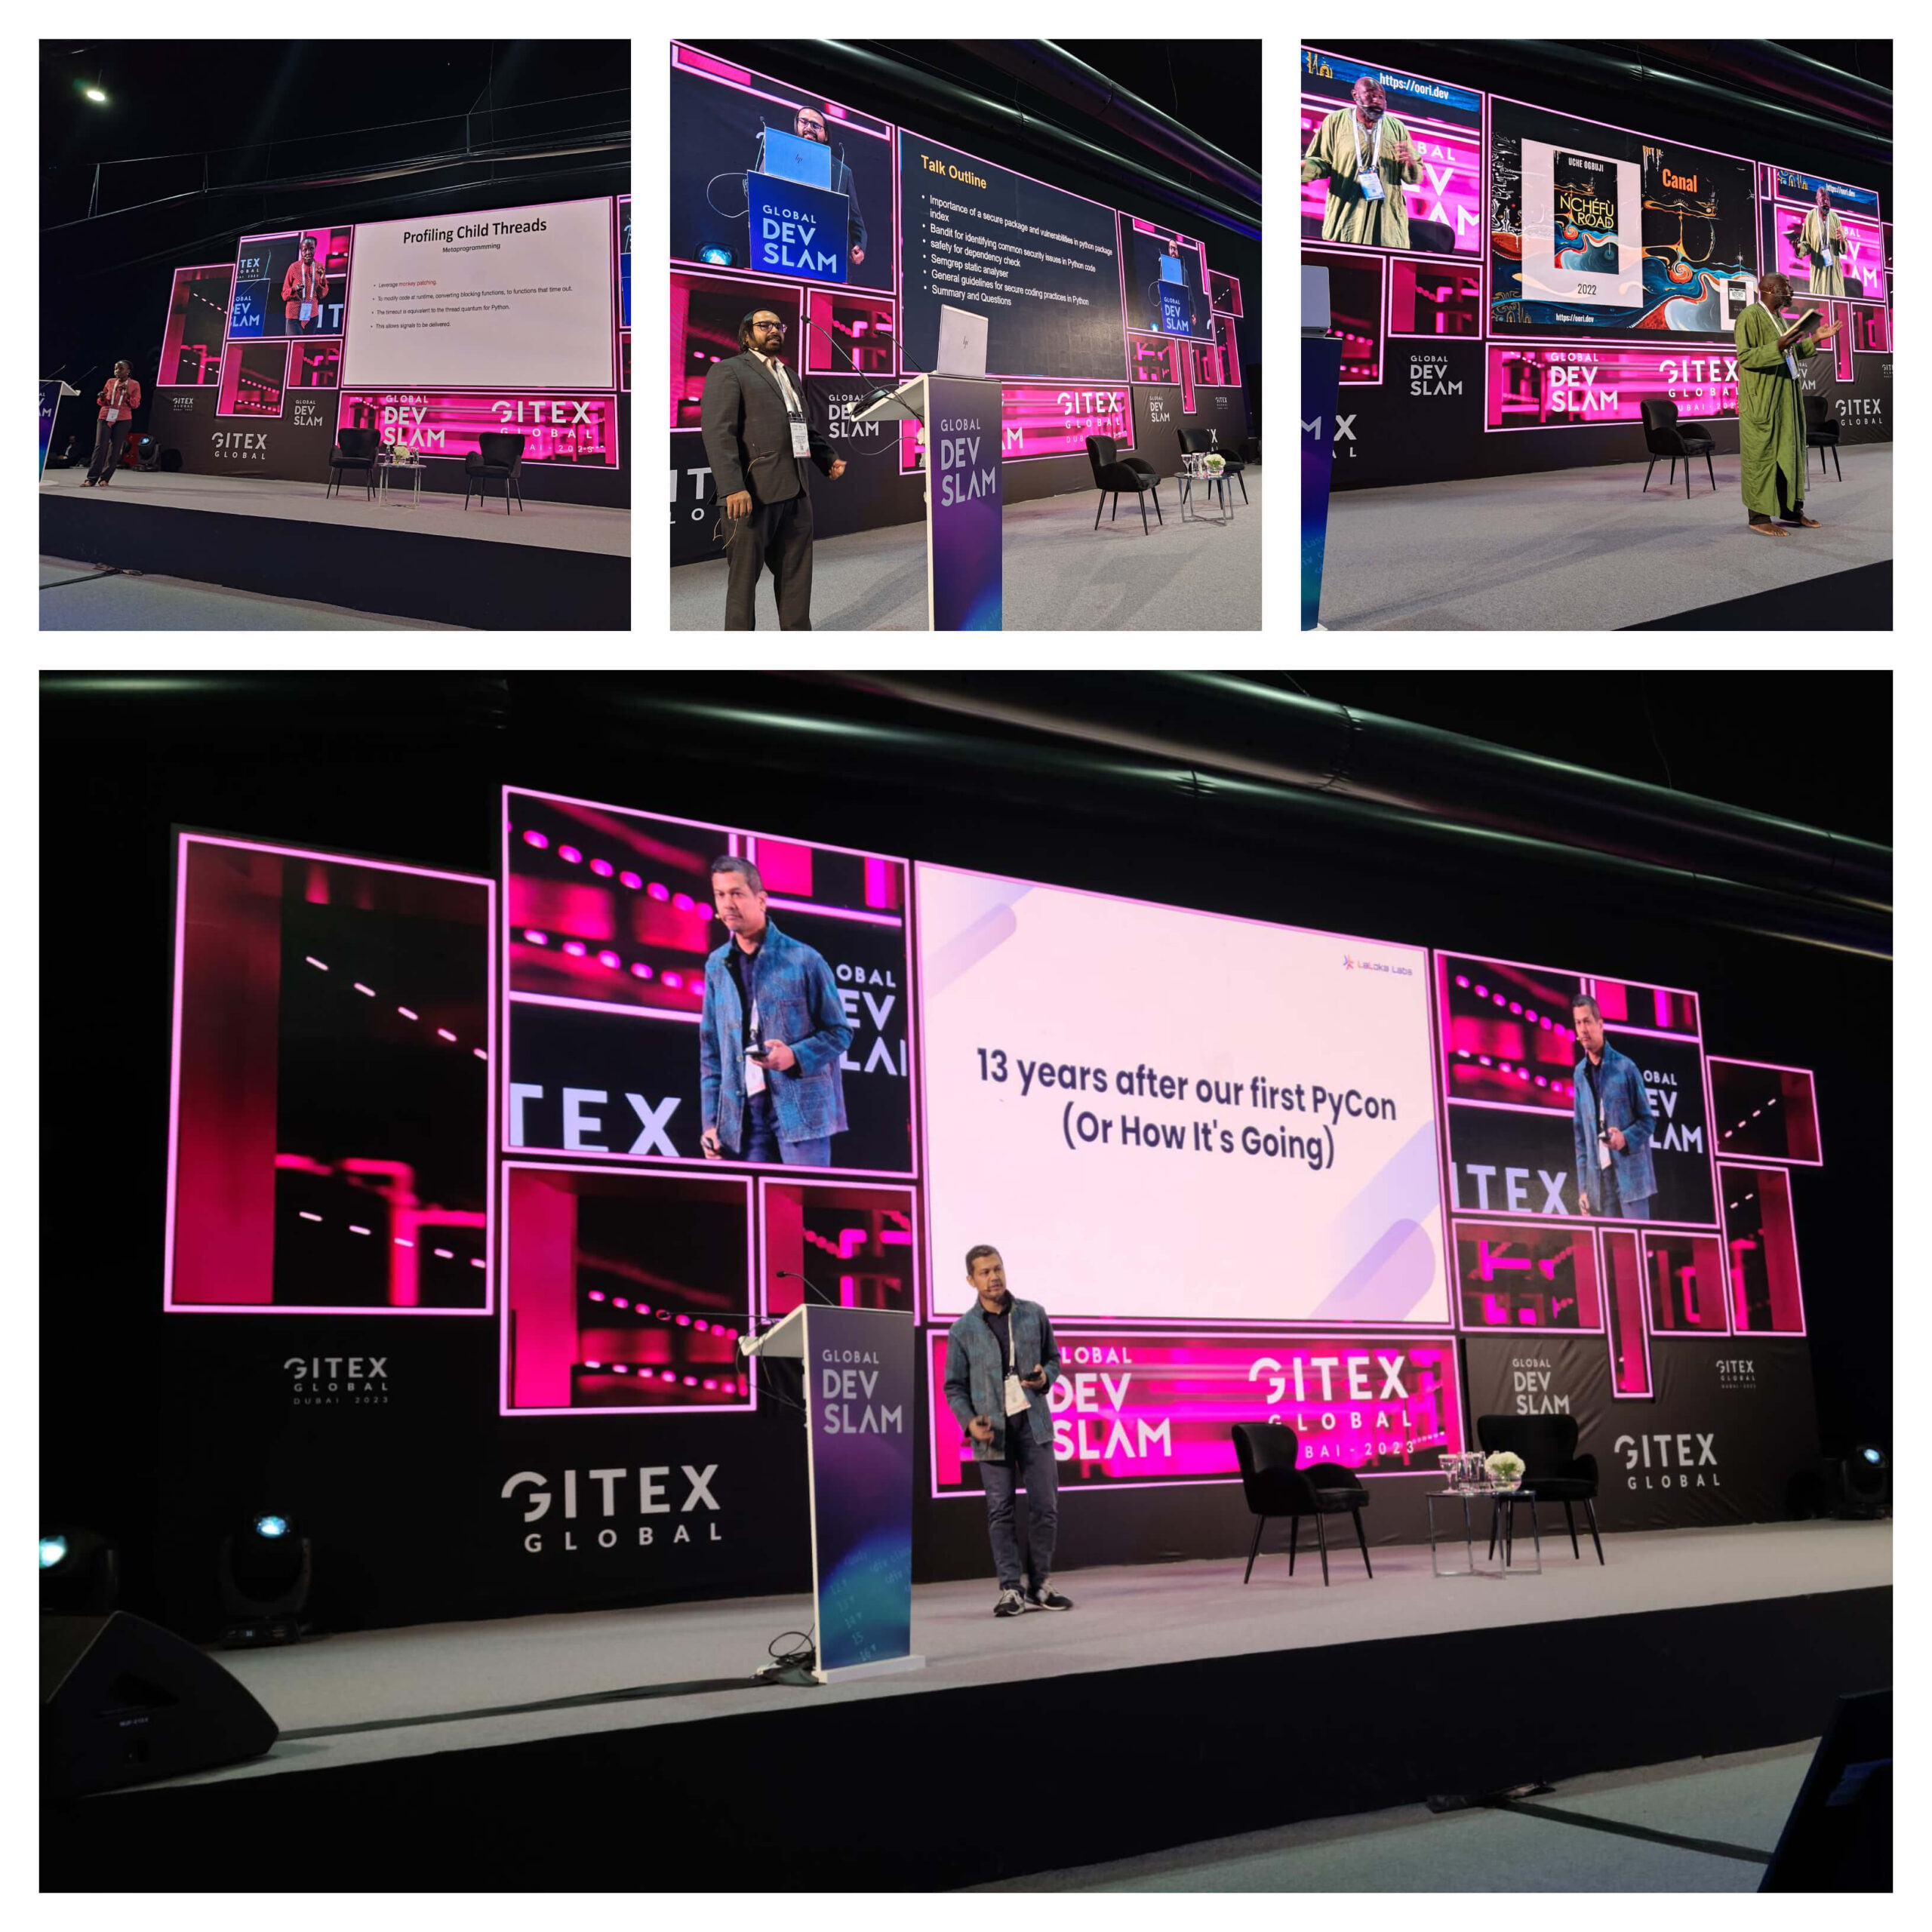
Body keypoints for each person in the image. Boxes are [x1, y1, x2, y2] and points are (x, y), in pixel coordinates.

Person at [943, 1245, 1073, 1617]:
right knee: (1000, 1511)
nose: (993, 1277)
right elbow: (954, 1386)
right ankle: (1011, 1588)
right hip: (992, 1432)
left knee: (1045, 1507)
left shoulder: (1034, 1314)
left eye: (997, 1269)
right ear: (971, 1280)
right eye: (984, 1272)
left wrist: (1046, 1376)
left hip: (1034, 1425)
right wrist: (969, 1421)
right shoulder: (962, 1330)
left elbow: (1054, 1359)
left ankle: (1041, 1585)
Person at [698, 854, 851, 1165]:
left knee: (805, 1207)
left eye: (737, 893)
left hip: (801, 1114)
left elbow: (840, 1033)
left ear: (762, 899)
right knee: (755, 1212)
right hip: (741, 1119)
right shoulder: (717, 965)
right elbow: (711, 1051)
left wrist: (794, 1056)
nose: (727, 903)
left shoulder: (805, 959)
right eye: (720, 895)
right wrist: (710, 1123)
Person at [699, 309, 847, 630]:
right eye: (764, 325)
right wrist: (732, 487)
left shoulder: (789, 374)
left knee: (796, 579)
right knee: (742, 586)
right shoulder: (729, 371)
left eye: (778, 326)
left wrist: (827, 458)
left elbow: (803, 426)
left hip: (796, 492)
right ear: (746, 334)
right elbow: (718, 432)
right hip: (751, 495)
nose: (774, 330)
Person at [1734, 272, 1840, 537]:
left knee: (1788, 454)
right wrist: (1778, 345)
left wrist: (1815, 340)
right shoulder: (1749, 316)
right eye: (1786, 287)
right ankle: (1758, 517)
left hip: (1786, 399)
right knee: (1762, 457)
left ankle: (1790, 511)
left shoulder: (1780, 319)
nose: (1791, 290)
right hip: (1763, 401)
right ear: (1771, 288)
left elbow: (1788, 354)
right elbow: (1746, 358)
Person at [1300, 75, 1425, 249]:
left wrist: (1410, 163)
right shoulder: (1335, 122)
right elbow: (1322, 162)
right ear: (1355, 95)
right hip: (1347, 216)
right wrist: (1304, 167)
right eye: (1370, 95)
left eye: (1381, 97)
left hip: (1386, 222)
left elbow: (1415, 176)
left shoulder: (1397, 128)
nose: (1377, 100)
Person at [1571, 994, 1658, 1220]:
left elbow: (1648, 1120)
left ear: (1600, 1025)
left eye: (1588, 1021)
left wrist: (1625, 1138)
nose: (1583, 1029)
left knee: (1636, 1250)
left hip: (1631, 1180)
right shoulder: (1579, 1074)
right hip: (1600, 1185)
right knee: (1608, 1253)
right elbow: (1581, 1137)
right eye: (1578, 1023)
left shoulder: (1626, 1067)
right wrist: (1583, 1189)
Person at [787, 108, 866, 269]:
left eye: (816, 126)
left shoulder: (842, 171)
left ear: (826, 135)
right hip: (785, 245)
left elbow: (855, 216)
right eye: (804, 122)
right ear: (796, 126)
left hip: (826, 255)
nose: (809, 128)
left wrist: (859, 245)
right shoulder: (780, 153)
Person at [82, 361, 141, 488]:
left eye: (121, 368)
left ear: (128, 371)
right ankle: (91, 479)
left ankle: (105, 478)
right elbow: (103, 402)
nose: (117, 371)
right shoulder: (110, 382)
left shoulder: (135, 384)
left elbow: (135, 404)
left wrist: (128, 393)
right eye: (115, 368)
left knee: (115, 449)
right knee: (100, 447)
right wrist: (102, 397)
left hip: (123, 419)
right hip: (105, 416)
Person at [1793, 186, 1848, 299]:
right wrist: (1799, 247)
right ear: (1817, 200)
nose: (1826, 202)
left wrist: (1842, 240)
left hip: (1834, 273)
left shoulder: (1835, 218)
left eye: (1828, 199)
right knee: (1820, 305)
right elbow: (1807, 244)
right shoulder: (1811, 217)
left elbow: (1843, 249)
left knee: (1837, 306)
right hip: (1819, 272)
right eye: (1823, 199)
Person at [281, 235, 331, 334]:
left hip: (312, 314)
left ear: (315, 249)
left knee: (307, 348)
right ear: (301, 251)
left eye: (311, 249)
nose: (308, 253)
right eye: (305, 250)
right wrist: (294, 289)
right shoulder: (294, 267)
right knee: (295, 347)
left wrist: (322, 279)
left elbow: (322, 294)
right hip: (294, 314)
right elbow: (284, 294)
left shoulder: (319, 266)